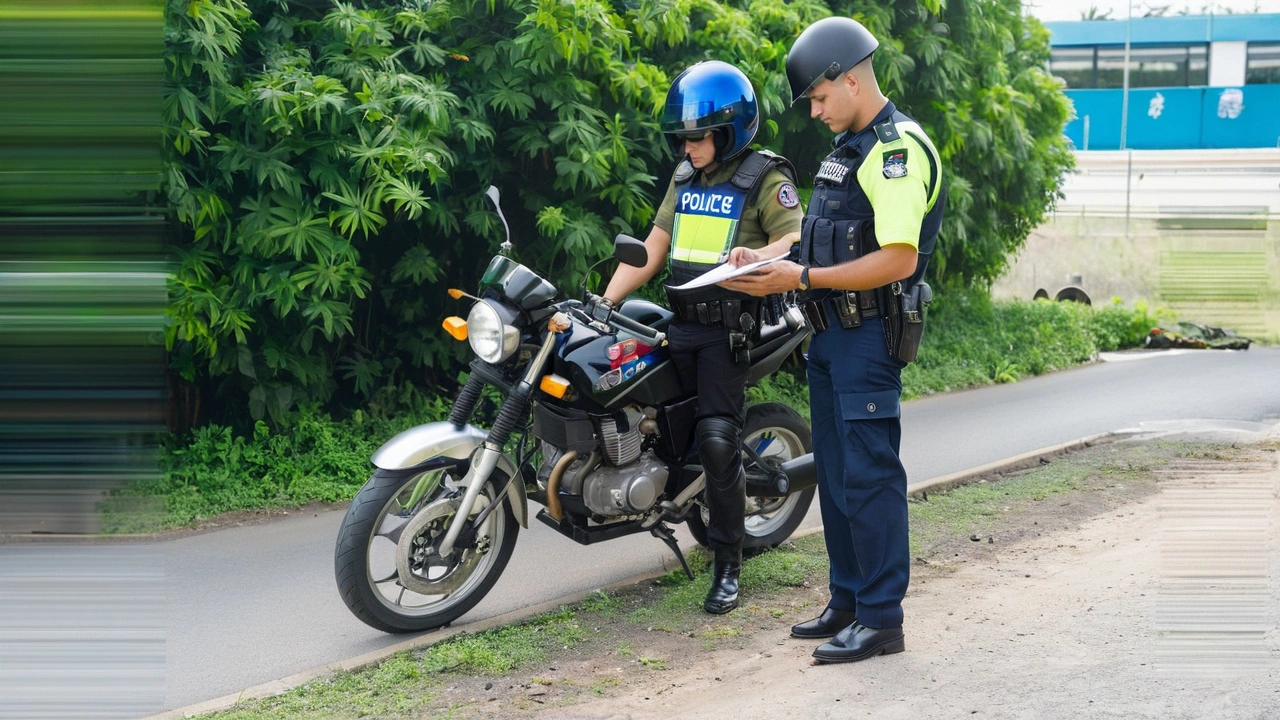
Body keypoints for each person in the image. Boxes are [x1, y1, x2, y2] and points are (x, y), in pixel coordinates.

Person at [720, 16, 944, 662]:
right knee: (838, 475)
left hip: (869, 338)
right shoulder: (848, 151)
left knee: (871, 477)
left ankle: (881, 618)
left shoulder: (894, 152)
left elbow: (899, 257)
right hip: (829, 338)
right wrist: (763, 256)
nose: (814, 112)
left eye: (819, 98)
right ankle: (847, 598)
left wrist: (804, 276)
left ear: (850, 80)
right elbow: (821, 233)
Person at [598, 60, 804, 615]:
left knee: (715, 437)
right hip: (682, 322)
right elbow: (652, 248)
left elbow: (794, 241)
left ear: (728, 129)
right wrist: (603, 301)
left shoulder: (764, 177)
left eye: (696, 136)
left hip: (731, 330)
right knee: (653, 420)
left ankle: (727, 565)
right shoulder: (685, 178)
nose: (686, 147)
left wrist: (754, 255)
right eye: (683, 137)